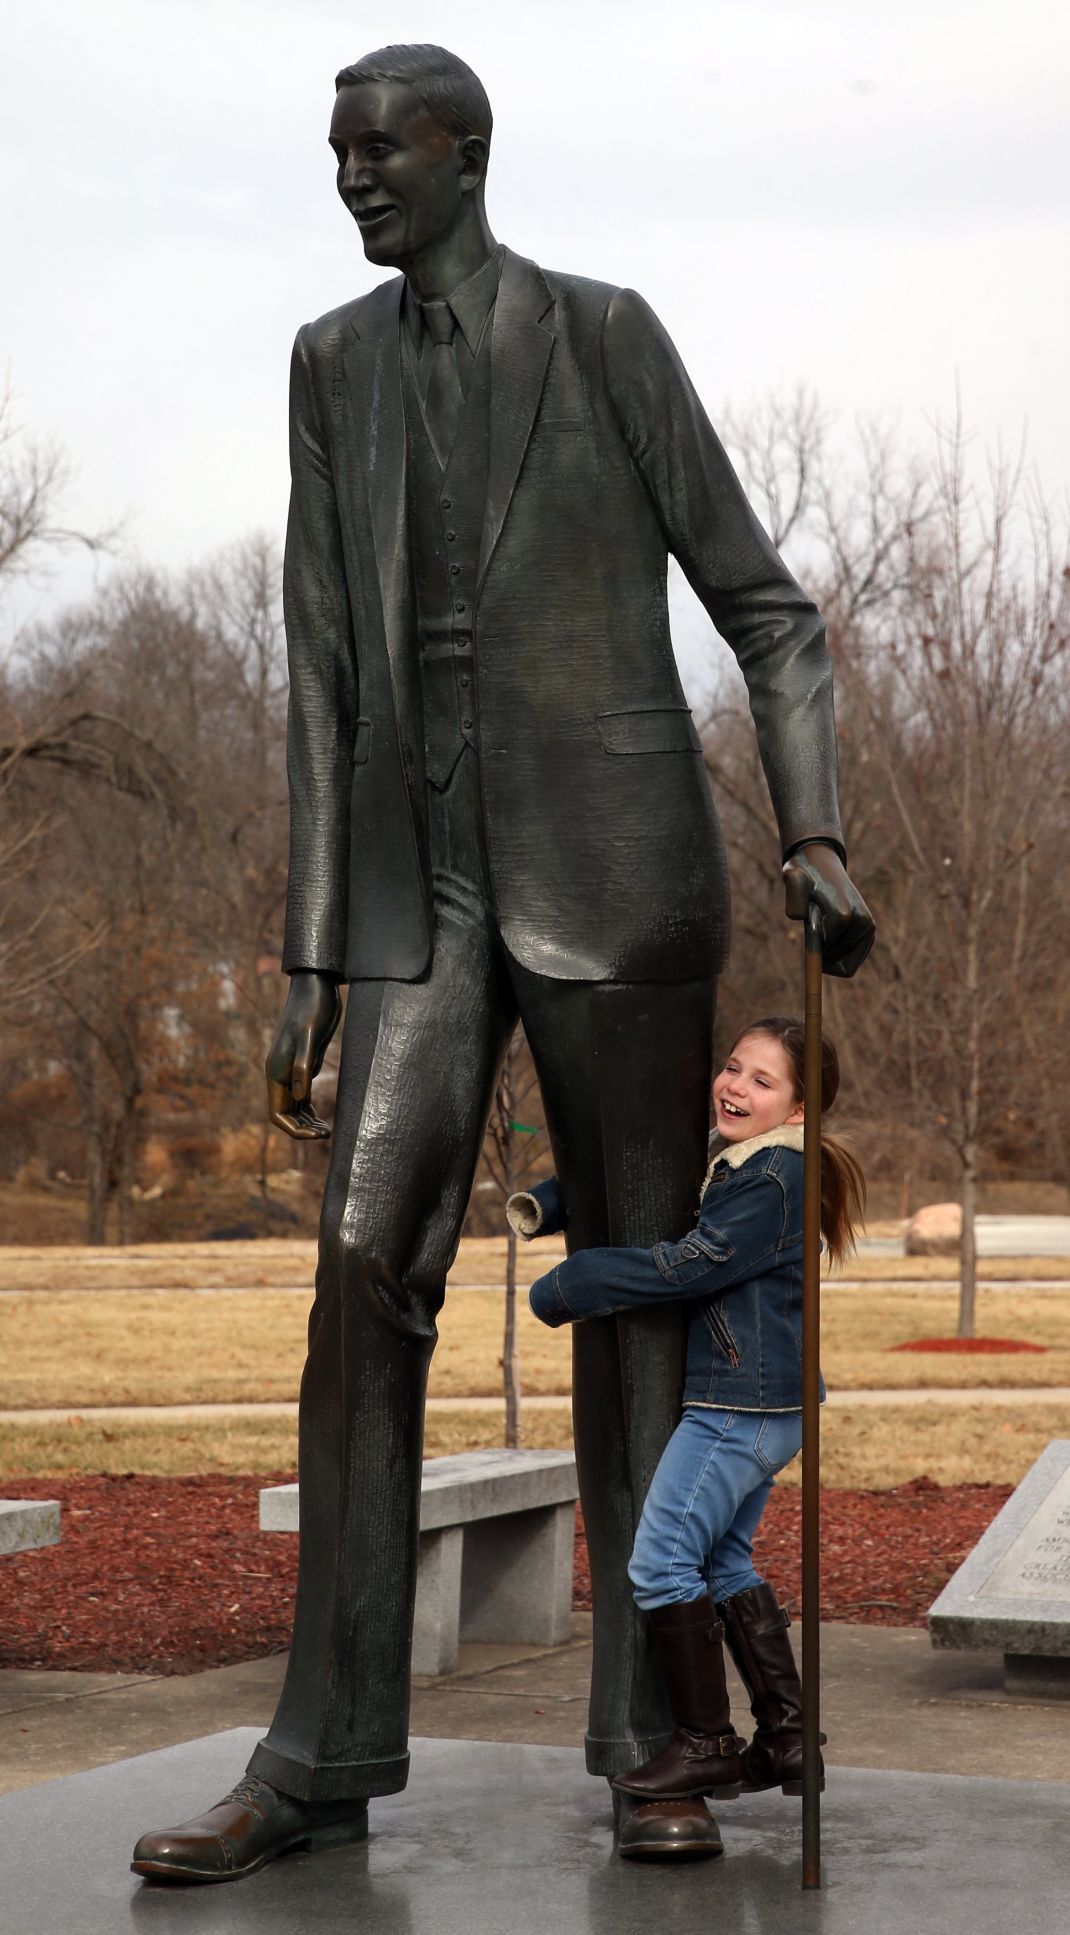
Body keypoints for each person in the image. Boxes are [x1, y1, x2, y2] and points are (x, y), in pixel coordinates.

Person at [131, 42, 874, 1884]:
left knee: (634, 1300)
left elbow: (769, 613)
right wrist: (314, 946)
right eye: (335, 154)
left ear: (469, 156)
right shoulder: (333, 365)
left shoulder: (607, 334)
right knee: (361, 1264)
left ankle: (654, 1743)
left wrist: (816, 831)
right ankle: (321, 1750)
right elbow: (318, 658)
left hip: (617, 882)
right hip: (416, 894)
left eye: (382, 150)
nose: (353, 180)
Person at [514, 1016, 865, 1824]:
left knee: (661, 1565)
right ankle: (786, 1737)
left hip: (738, 1408)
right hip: (766, 1403)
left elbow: (691, 1261)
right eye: (734, 1067)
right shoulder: (745, 1156)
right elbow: (666, 1181)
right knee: (726, 1563)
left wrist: (575, 1283)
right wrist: (557, 1202)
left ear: (801, 1110)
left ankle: (705, 1743)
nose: (736, 1085)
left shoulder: (775, 1177)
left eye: (762, 1080)